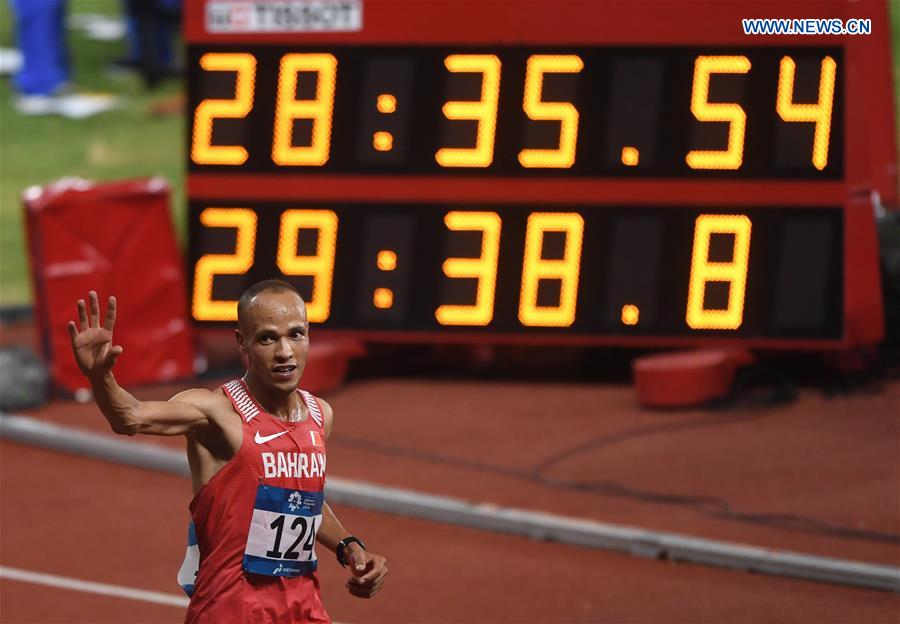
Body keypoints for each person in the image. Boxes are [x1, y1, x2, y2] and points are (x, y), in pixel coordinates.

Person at [68, 281, 388, 623]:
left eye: (296, 334)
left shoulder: (319, 415)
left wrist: (348, 545)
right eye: (267, 338)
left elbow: (300, 497)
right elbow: (129, 417)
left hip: (302, 610)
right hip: (232, 611)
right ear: (242, 342)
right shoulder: (215, 412)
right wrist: (101, 379)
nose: (285, 352)